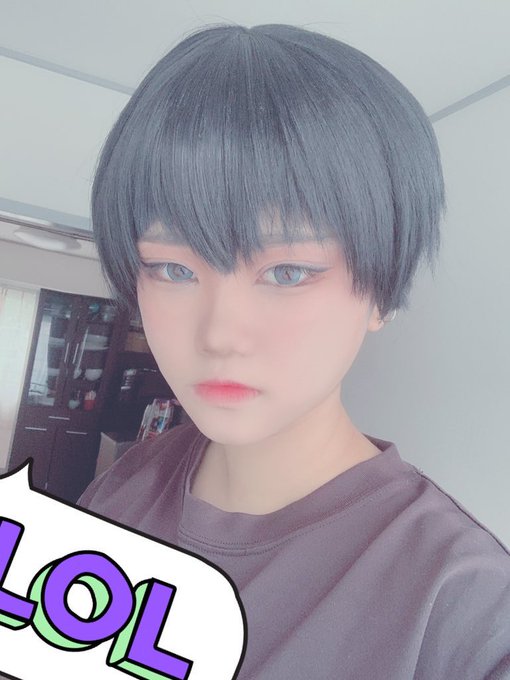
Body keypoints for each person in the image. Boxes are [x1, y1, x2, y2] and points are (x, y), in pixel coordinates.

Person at [78, 23, 510, 679]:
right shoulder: (126, 482)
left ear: (382, 294)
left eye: (287, 273)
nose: (220, 334)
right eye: (172, 268)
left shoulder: (463, 608)